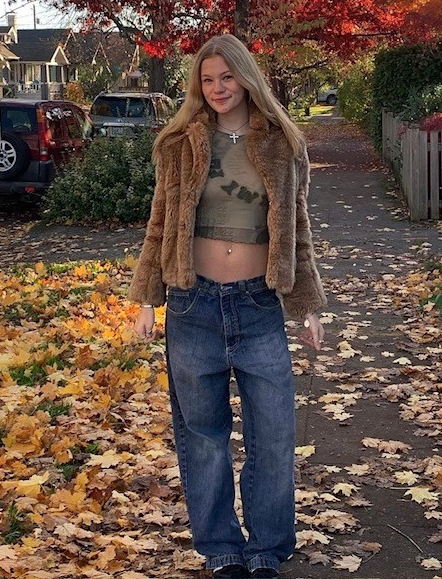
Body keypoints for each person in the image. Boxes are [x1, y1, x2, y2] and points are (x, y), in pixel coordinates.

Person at [129, 33, 326, 579]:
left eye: (227, 77)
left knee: (275, 434)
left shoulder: (282, 143)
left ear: (246, 77)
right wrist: (147, 299)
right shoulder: (179, 144)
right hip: (193, 307)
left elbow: (298, 228)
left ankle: (266, 550)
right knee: (204, 437)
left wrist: (307, 304)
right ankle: (221, 551)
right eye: (207, 79)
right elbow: (160, 223)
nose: (217, 88)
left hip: (259, 306)